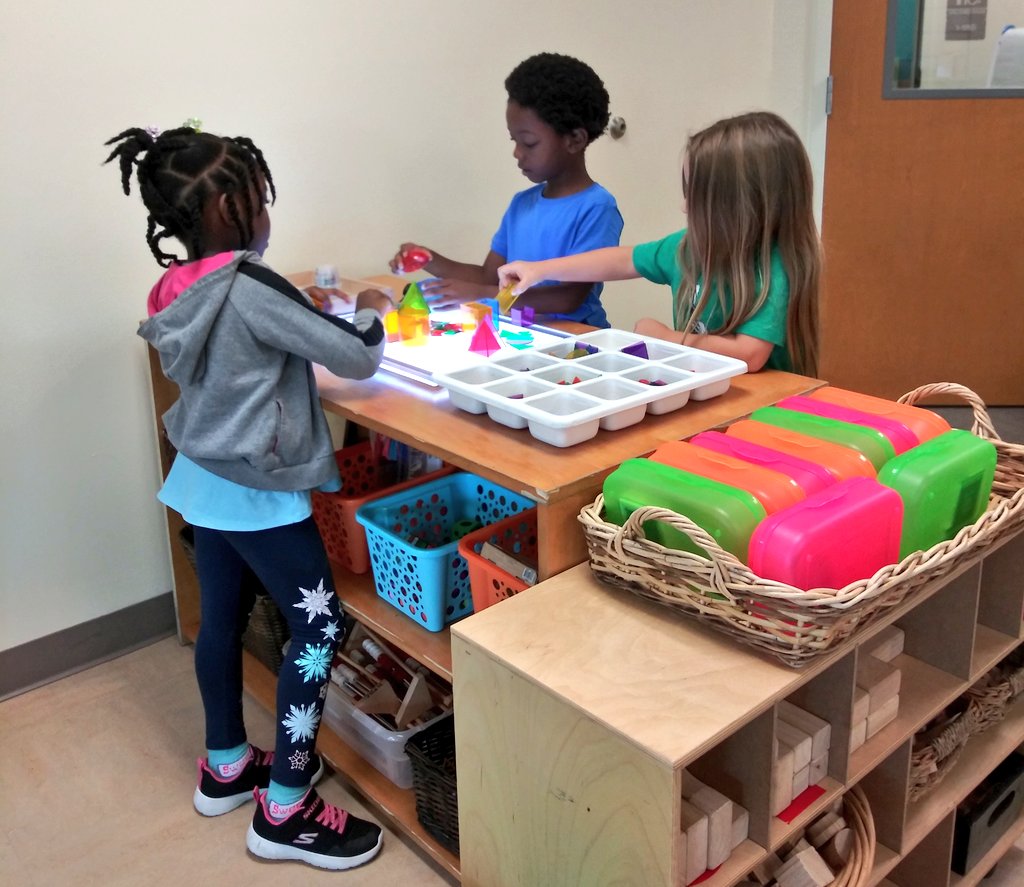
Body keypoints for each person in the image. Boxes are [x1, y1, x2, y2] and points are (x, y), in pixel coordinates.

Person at [104, 124, 392, 871]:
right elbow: (354, 353)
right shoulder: (251, 284)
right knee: (318, 627)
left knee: (222, 622)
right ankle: (288, 810)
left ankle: (226, 765)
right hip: (256, 488)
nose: (267, 213)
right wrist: (367, 307)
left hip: (201, 476)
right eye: (260, 199)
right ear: (234, 207)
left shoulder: (176, 289)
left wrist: (305, 314)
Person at [498, 111, 821, 376]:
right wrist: (538, 270)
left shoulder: (775, 266)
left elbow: (749, 355)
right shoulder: (688, 247)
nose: (684, 206)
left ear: (740, 206)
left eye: (695, 196)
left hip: (766, 410)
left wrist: (668, 339)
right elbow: (622, 260)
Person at [389, 51, 623, 328]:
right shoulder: (521, 204)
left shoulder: (596, 207)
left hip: (574, 340)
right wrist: (430, 260)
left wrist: (482, 295)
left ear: (574, 139)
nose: (517, 153)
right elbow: (490, 276)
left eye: (529, 143)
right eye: (514, 140)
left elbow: (567, 298)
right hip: (524, 333)